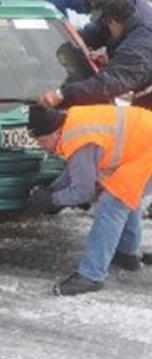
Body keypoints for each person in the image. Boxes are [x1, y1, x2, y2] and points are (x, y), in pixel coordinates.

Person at [25, 104, 152, 296]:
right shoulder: (71, 124)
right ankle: (128, 254)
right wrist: (52, 190)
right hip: (142, 146)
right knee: (125, 193)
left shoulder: (78, 139)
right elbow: (75, 170)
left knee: (113, 202)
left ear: (54, 133)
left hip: (146, 151)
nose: (41, 146)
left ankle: (91, 276)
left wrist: (52, 200)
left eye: (41, 141)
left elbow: (83, 192)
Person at [40, 0, 152, 110]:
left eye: (105, 24)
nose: (104, 29)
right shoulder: (130, 7)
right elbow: (95, 33)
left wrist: (62, 94)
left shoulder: (141, 46)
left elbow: (109, 84)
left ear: (112, 22)